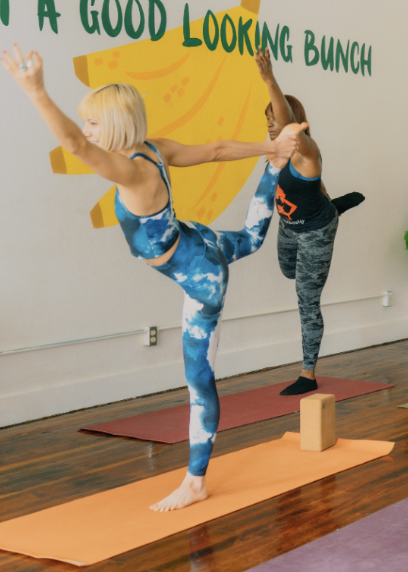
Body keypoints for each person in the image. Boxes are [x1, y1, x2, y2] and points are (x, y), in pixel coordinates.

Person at [2, 43, 304, 512]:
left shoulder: (131, 174)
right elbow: (218, 149)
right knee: (248, 239)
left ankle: (196, 481)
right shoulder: (153, 150)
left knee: (198, 380)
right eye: (87, 120)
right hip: (195, 242)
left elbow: (76, 146)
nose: (87, 129)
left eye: (94, 120)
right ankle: (277, 166)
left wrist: (36, 92)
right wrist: (272, 146)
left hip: (200, 279)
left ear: (117, 124)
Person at [255, 47, 360, 395]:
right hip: (290, 226)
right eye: (266, 117)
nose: (270, 123)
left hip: (314, 233)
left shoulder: (307, 154)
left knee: (306, 296)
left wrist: (270, 79)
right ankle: (333, 207)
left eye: (275, 118)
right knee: (288, 271)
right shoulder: (275, 154)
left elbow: (288, 126)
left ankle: (308, 373)